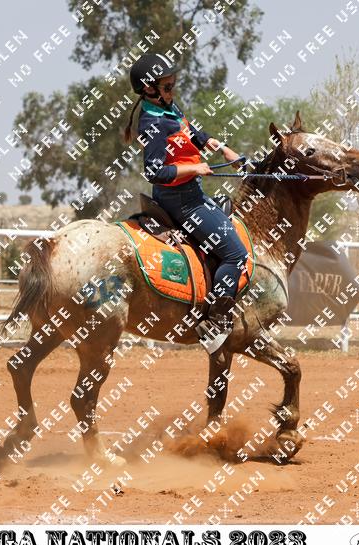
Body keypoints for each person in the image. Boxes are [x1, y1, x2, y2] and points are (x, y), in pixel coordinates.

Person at [123, 53, 250, 354]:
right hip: (182, 202)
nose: (172, 91)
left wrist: (221, 148)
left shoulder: (167, 108)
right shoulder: (152, 122)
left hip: (192, 195)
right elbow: (154, 172)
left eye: (173, 85)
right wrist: (194, 168)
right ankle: (215, 324)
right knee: (236, 254)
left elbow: (190, 131)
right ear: (149, 89)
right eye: (167, 87)